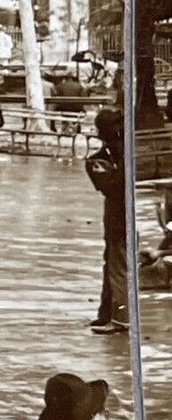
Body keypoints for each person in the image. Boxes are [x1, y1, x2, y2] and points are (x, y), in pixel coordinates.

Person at [87, 107, 128, 335]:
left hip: (119, 218)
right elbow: (113, 186)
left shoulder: (111, 157)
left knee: (118, 265)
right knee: (112, 263)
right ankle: (107, 312)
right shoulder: (102, 159)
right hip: (115, 216)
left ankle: (120, 318)